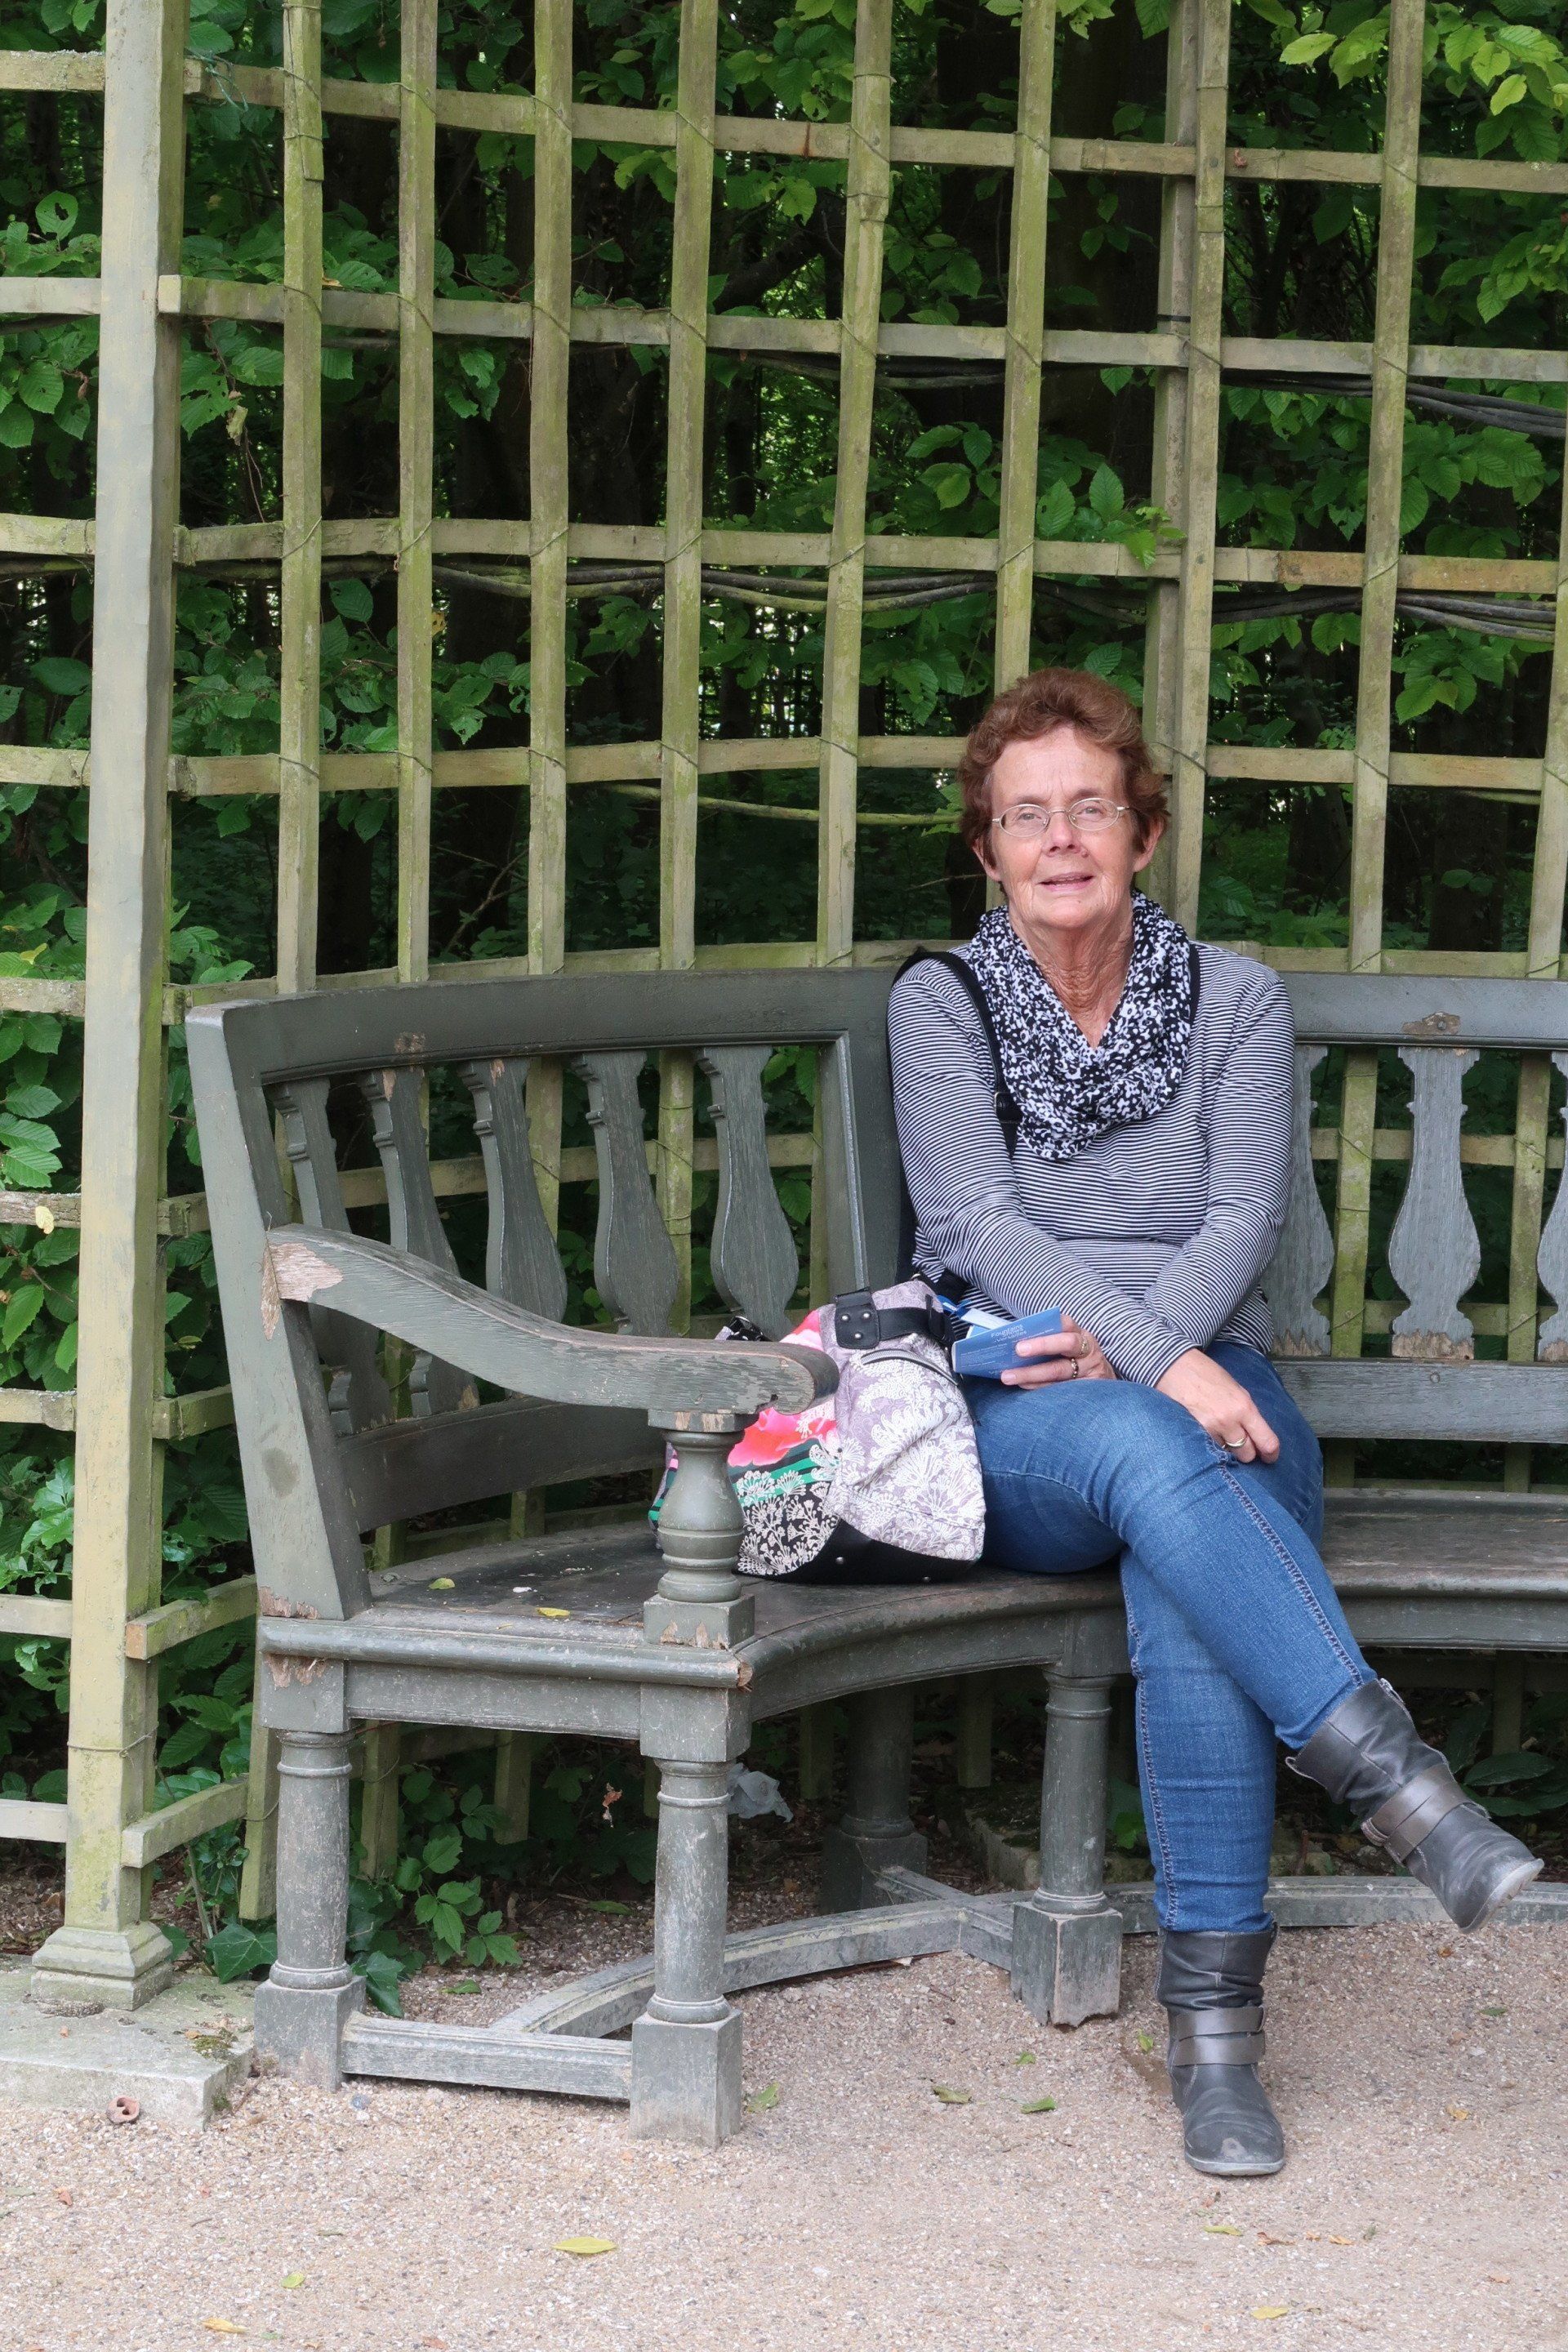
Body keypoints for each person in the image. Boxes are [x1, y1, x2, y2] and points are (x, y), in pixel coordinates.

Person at [887, 666, 1542, 2178]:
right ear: (988, 849)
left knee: (1183, 1568)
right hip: (1025, 1406)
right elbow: (974, 1222)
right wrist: (1156, 1367)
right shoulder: (942, 1003)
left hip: (1216, 1385)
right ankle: (1402, 1789)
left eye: (1090, 808)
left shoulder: (1236, 1001)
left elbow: (1244, 1218)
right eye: (1027, 816)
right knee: (1147, 1443)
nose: (1061, 839)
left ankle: (1216, 2045)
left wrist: (1162, 1356)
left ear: (1146, 831)